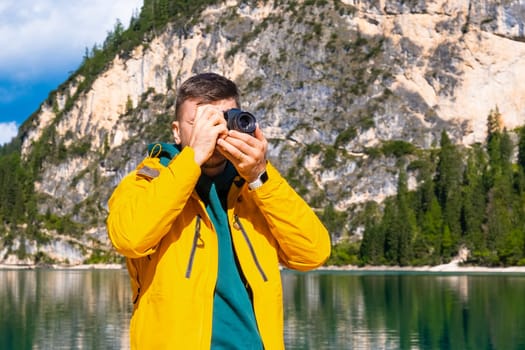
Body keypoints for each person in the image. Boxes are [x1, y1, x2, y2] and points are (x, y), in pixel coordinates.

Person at [106, 72, 331, 349]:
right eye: (200, 122)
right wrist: (192, 159)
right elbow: (129, 238)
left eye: (223, 120)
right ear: (177, 131)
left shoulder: (255, 190)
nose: (214, 131)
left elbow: (313, 253)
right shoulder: (146, 182)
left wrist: (260, 174)